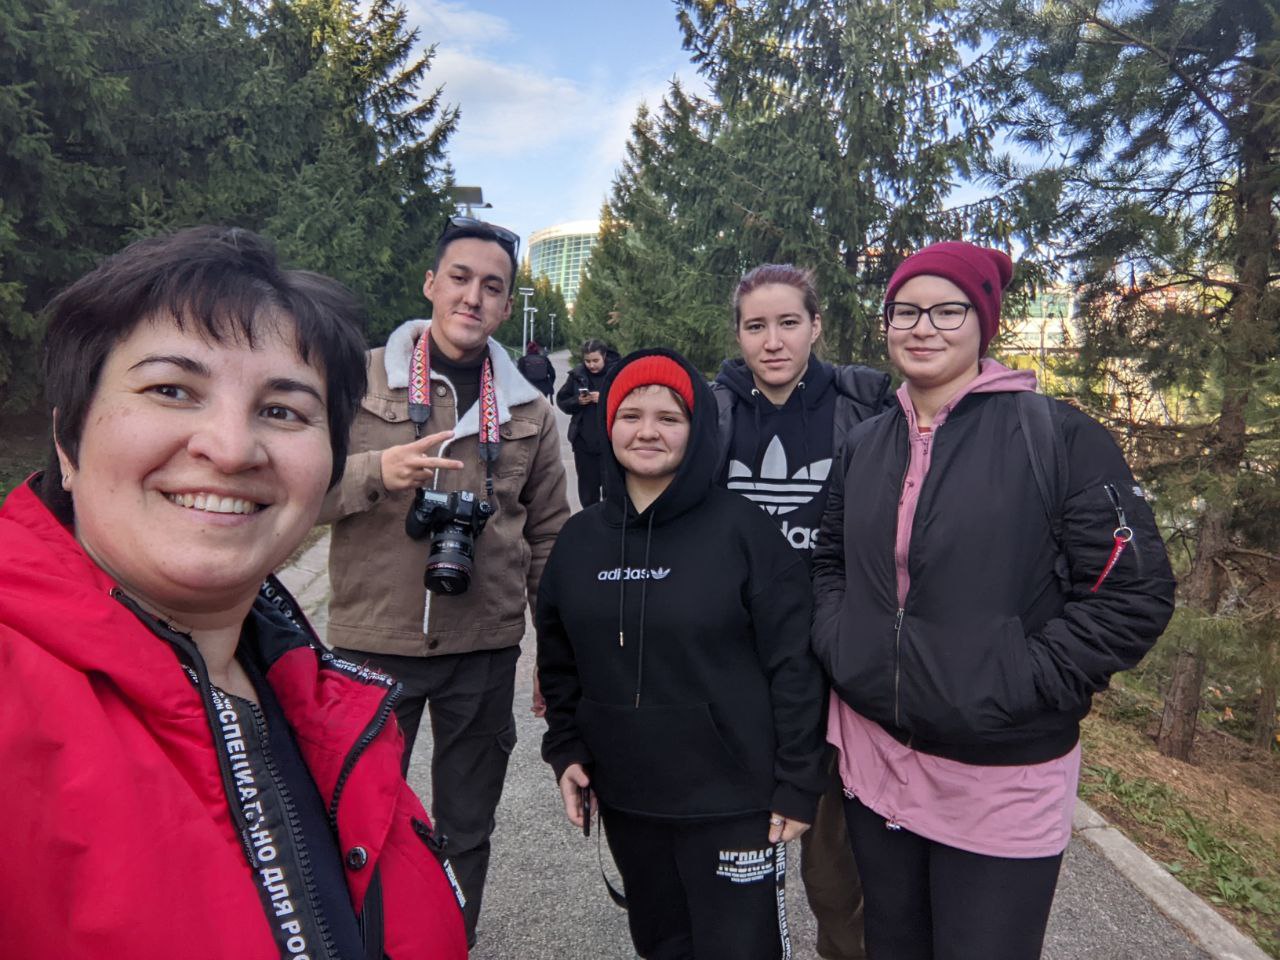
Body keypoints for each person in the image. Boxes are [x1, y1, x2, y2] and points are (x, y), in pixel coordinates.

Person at [0, 226, 467, 959]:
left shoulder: (319, 697)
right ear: (68, 441)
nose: (230, 448)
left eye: (283, 410)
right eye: (171, 390)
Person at [811, 241, 1176, 960]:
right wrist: (842, 643)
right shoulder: (864, 444)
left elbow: (1132, 593)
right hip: (875, 763)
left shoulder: (1060, 437)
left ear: (984, 322)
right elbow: (829, 562)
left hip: (1001, 776)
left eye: (948, 310)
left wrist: (1018, 681)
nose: (923, 327)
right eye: (905, 310)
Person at [321, 216, 570, 947]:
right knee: (360, 826)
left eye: (492, 287)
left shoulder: (527, 408)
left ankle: (446, 944)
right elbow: (299, 490)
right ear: (431, 283)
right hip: (373, 643)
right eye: (459, 278)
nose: (473, 297)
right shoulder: (358, 379)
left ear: (507, 305)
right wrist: (377, 471)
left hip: (483, 651)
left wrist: (554, 653)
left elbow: (550, 538)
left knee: (467, 830)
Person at [538, 348, 828, 960]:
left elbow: (794, 666)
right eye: (631, 415)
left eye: (669, 418)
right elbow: (560, 665)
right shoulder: (579, 540)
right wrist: (566, 749)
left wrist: (800, 781)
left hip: (735, 800)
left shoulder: (744, 532)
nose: (648, 431)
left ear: (697, 432)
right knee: (663, 946)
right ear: (608, 425)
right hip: (630, 797)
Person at [712, 264, 892, 959]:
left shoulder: (865, 405)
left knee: (835, 874)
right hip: (738, 666)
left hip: (834, 668)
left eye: (789, 322)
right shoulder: (714, 413)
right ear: (738, 334)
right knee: (731, 862)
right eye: (756, 326)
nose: (773, 341)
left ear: (815, 326)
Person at [556, 337, 619, 508]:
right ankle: (590, 521)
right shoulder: (577, 375)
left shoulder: (617, 373)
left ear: (604, 356)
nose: (591, 365)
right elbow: (562, 401)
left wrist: (605, 398)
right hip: (583, 444)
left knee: (611, 490)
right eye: (587, 361)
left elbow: (630, 403)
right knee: (588, 492)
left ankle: (610, 521)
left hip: (610, 443)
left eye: (595, 360)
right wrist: (577, 401)